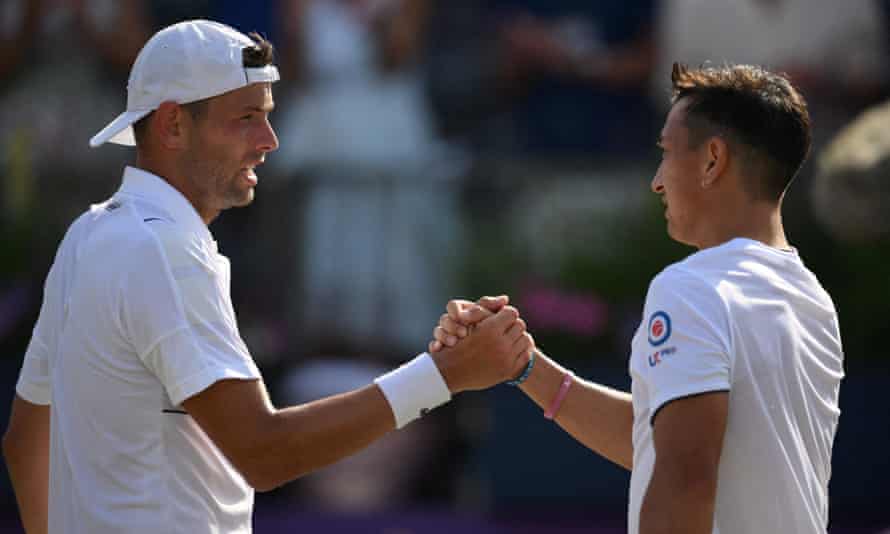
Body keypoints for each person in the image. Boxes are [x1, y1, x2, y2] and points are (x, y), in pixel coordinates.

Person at [1, 20, 534, 534]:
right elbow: (265, 452)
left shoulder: (88, 235)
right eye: (246, 118)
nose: (270, 140)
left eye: (268, 115)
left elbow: (25, 443)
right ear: (171, 124)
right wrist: (444, 375)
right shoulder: (161, 249)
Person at [432, 63, 844, 533]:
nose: (657, 181)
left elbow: (685, 476)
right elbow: (665, 443)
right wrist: (525, 366)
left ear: (712, 159)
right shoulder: (813, 300)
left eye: (666, 152)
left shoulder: (691, 289)